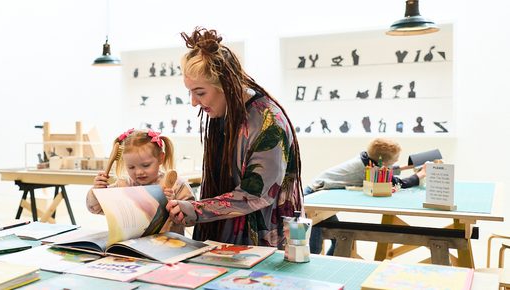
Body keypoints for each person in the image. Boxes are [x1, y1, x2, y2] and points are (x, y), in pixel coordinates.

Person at [166, 28, 303, 248]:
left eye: (200, 93)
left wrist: (197, 209)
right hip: (228, 238)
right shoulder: (225, 115)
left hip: (262, 244)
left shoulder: (269, 123)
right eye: (190, 93)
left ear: (225, 84)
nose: (193, 102)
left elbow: (255, 193)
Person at [306, 137, 427, 255]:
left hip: (322, 198)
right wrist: (421, 174)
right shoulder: (368, 170)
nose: (397, 160)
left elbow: (385, 168)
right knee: (314, 248)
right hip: (311, 199)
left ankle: (327, 266)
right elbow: (399, 183)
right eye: (396, 159)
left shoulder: (367, 159)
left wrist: (408, 166)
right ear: (383, 162)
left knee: (338, 239)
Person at [86, 129, 195, 234]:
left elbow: (192, 219)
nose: (138, 172)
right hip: (129, 248)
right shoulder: (122, 186)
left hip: (169, 248)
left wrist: (175, 206)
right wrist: (96, 192)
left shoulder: (176, 185)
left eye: (146, 165)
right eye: (131, 167)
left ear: (161, 158)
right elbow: (95, 209)